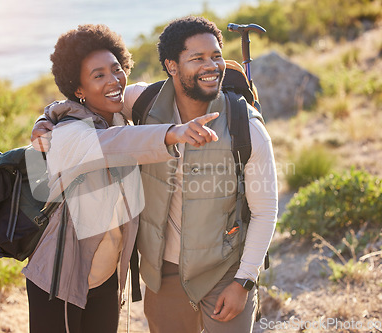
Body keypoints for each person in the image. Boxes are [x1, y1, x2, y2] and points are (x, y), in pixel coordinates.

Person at [32, 17, 278, 333]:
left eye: (216, 55)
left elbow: (265, 210)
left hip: (218, 272)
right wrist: (47, 117)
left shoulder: (246, 127)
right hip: (128, 277)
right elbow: (104, 125)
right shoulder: (136, 107)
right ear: (171, 66)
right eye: (197, 58)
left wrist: (244, 280)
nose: (211, 65)